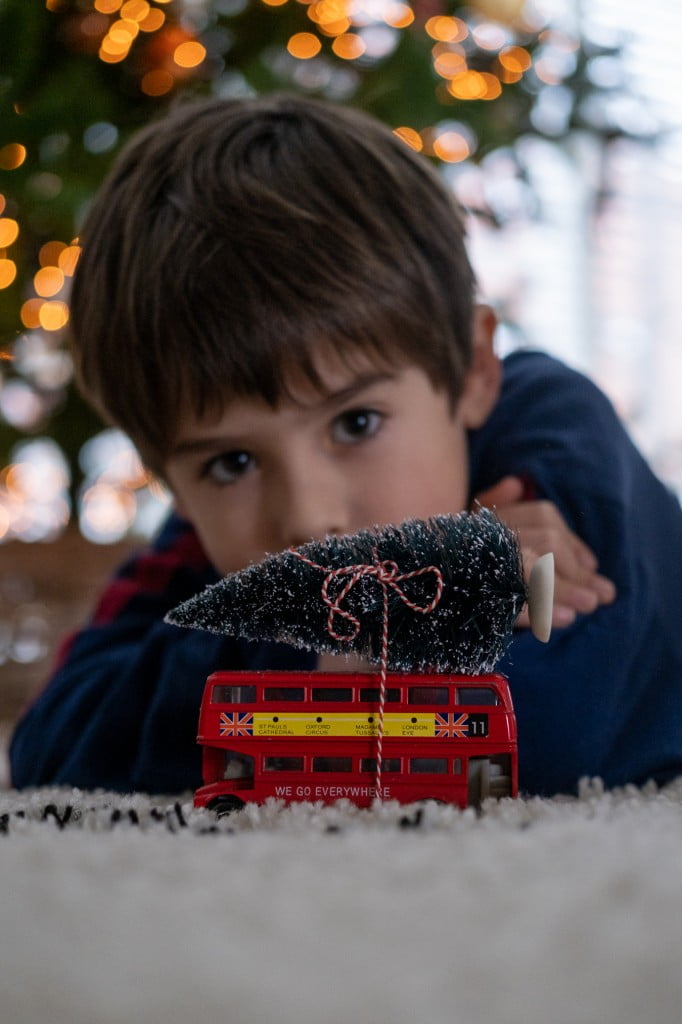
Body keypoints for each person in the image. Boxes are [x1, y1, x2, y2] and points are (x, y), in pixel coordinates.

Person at [9, 93, 682, 797]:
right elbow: (50, 752)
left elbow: (547, 737)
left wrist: (280, 678)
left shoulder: (556, 431)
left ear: (473, 371)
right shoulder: (197, 539)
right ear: (173, 481)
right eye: (233, 463)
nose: (308, 517)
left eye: (356, 423)